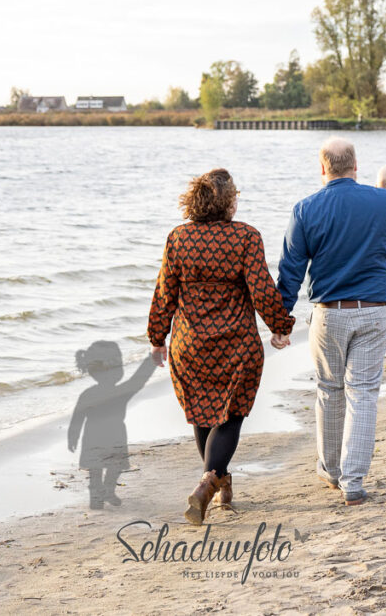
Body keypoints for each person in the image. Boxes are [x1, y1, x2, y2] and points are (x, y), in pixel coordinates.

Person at [277, 138, 386, 506]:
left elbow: (291, 271)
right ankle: (354, 481)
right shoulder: (385, 201)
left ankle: (330, 470)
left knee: (329, 390)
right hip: (374, 310)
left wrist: (280, 321)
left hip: (329, 314)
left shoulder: (305, 209)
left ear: (323, 167)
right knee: (363, 393)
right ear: (355, 166)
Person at [147, 168, 295, 525]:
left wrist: (157, 338)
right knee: (229, 415)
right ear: (229, 201)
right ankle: (207, 487)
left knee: (202, 414)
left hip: (190, 345)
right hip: (236, 345)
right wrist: (280, 326)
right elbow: (261, 289)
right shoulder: (246, 236)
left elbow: (165, 293)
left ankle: (219, 485)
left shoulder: (178, 238)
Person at [68, 341, 154, 510]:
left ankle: (97, 497)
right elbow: (139, 379)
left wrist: (73, 436)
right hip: (115, 435)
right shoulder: (120, 391)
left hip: (92, 437)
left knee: (95, 469)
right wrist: (152, 359)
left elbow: (77, 417)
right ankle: (107, 489)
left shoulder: (88, 394)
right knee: (114, 466)